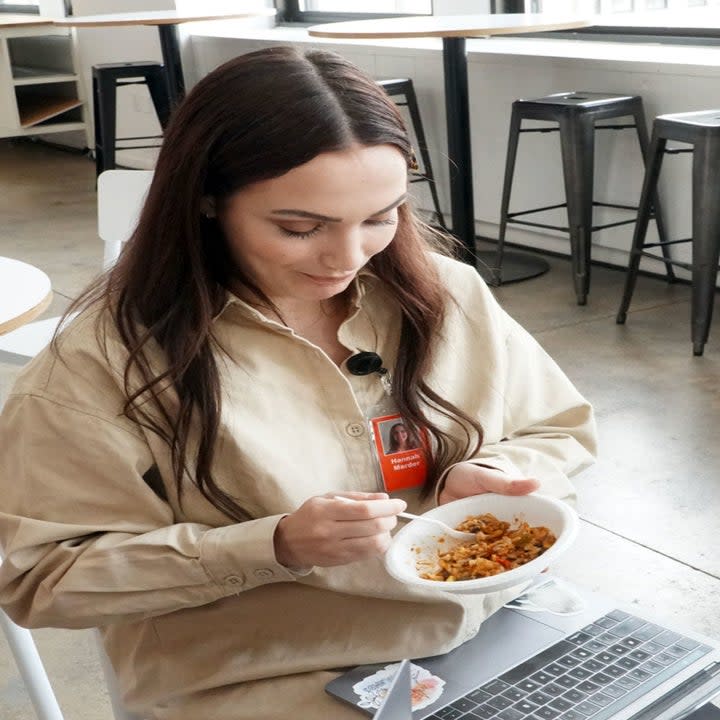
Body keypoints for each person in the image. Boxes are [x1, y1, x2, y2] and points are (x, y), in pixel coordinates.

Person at [0, 46, 597, 720]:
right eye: (299, 227)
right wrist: (272, 546)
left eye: (380, 217)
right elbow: (43, 579)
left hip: (493, 624)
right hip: (263, 672)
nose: (346, 258)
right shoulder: (103, 363)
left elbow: (557, 426)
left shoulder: (446, 292)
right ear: (205, 200)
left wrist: (495, 469)